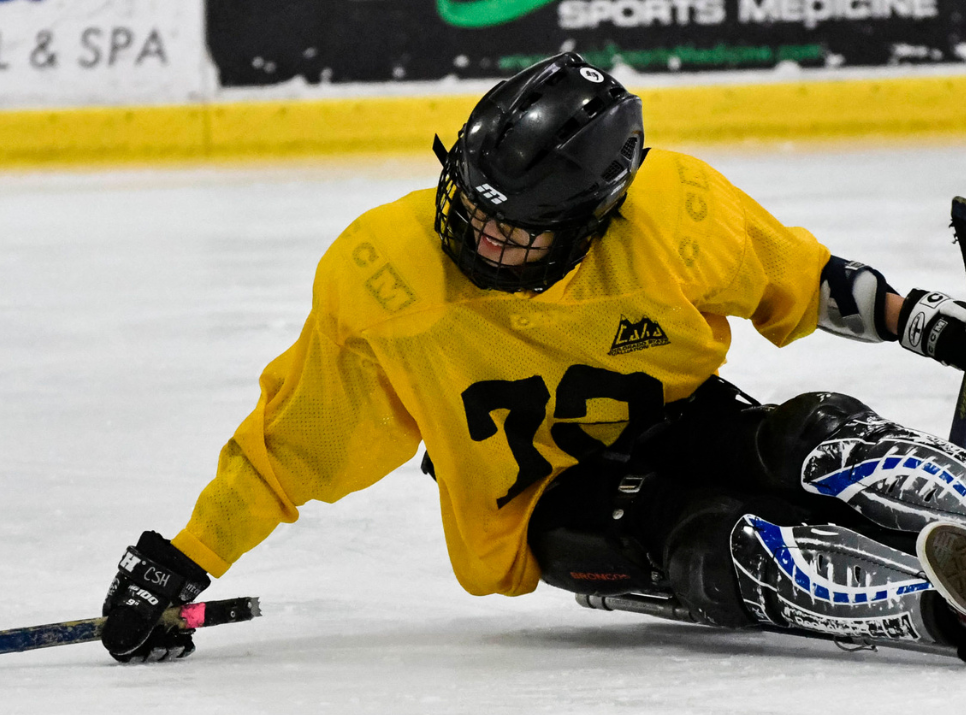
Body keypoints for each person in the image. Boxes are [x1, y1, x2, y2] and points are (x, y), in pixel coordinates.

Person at [100, 52, 966, 664]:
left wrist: (921, 320)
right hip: (539, 500)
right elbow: (297, 442)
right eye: (470, 205)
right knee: (712, 541)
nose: (478, 237)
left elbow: (802, 281)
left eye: (513, 230)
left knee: (815, 436)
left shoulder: (672, 212)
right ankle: (927, 613)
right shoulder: (385, 276)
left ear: (594, 219)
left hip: (671, 417)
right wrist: (182, 559)